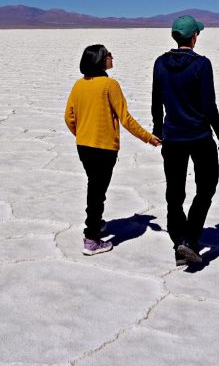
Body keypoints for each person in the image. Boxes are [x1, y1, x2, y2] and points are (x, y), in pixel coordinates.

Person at [65, 44, 160, 256]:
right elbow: (125, 118)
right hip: (104, 148)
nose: (111, 57)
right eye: (108, 55)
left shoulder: (78, 85)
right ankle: (91, 239)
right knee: (97, 191)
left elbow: (69, 117)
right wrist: (148, 137)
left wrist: (82, 134)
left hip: (84, 146)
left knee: (95, 186)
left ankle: (96, 224)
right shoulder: (110, 85)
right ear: (100, 59)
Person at [152, 15, 219, 266]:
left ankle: (179, 239)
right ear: (194, 36)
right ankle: (189, 238)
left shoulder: (160, 64)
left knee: (174, 191)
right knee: (207, 186)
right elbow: (208, 103)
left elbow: (156, 102)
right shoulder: (202, 65)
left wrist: (158, 129)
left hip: (172, 137)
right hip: (199, 136)